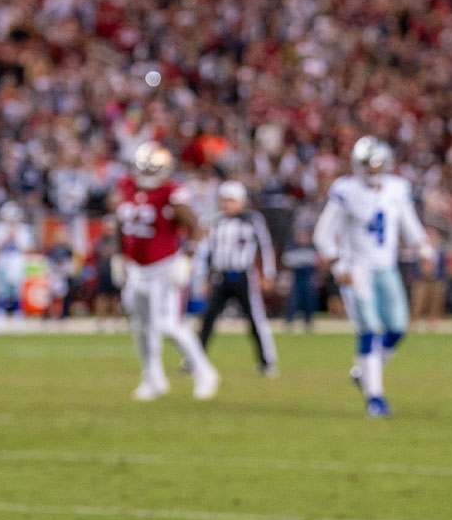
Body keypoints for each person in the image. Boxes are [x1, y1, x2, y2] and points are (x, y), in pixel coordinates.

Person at [313, 136, 435, 417]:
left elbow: (410, 224)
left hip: (387, 266)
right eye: (368, 164)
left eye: (378, 164)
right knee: (369, 329)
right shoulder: (346, 190)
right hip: (358, 269)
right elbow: (323, 233)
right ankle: (375, 397)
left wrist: (424, 249)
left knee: (398, 328)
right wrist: (338, 266)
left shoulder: (397, 189)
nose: (373, 170)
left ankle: (364, 372)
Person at [112, 141, 219, 401]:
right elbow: (120, 223)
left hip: (164, 267)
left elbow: (195, 227)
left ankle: (204, 372)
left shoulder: (172, 191)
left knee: (167, 325)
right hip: (136, 269)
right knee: (140, 326)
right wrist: (118, 256)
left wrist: (188, 258)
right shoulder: (126, 185)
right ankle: (152, 377)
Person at [196, 181, 279, 376]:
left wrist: (268, 273)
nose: (227, 205)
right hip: (220, 275)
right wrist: (204, 277)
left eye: (231, 201)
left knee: (255, 319)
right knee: (208, 319)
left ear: (241, 201)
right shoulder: (215, 221)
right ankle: (195, 360)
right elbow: (207, 251)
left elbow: (265, 247)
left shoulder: (252, 220)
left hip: (243, 275)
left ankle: (267, 361)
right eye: (224, 201)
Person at [0, 201, 35, 334]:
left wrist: (16, 237)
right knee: (2, 292)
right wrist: (6, 238)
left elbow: (29, 250)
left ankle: (19, 319)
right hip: (3, 261)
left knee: (18, 293)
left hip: (18, 263)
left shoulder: (24, 230)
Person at [282, 227, 319, 332]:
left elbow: (315, 261)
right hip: (296, 278)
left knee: (309, 299)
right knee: (293, 300)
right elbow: (287, 260)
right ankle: (289, 320)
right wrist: (303, 261)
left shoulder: (312, 247)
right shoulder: (292, 247)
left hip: (308, 278)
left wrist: (301, 261)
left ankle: (309, 321)